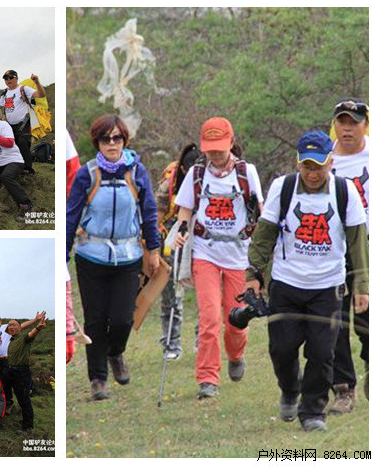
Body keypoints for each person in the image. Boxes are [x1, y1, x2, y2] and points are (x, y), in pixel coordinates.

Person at [247, 130, 368, 431]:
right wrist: (254, 275)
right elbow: (264, 234)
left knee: (322, 352)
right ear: (298, 163)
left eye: (319, 166)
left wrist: (361, 286)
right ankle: (290, 389)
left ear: (331, 162)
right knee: (282, 348)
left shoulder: (345, 191)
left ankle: (313, 411)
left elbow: (357, 244)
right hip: (286, 283)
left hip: (327, 286)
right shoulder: (283, 188)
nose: (313, 173)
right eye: (307, 166)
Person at [66, 114, 160, 400]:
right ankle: (98, 379)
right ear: (97, 142)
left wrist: (154, 249)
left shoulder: (137, 172)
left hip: (128, 256)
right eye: (105, 139)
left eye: (117, 138)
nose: (111, 144)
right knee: (95, 319)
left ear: (124, 140)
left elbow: (149, 211)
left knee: (122, 319)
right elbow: (71, 215)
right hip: (90, 256)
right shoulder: (88, 174)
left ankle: (116, 352)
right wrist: (62, 254)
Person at [172, 117, 263, 399]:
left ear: (231, 143)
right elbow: (185, 210)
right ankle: (208, 379)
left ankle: (236, 355)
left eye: (220, 148)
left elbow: (260, 212)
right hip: (205, 252)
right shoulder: (197, 173)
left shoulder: (247, 172)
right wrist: (182, 230)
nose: (214, 153)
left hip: (238, 255)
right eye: (210, 148)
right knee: (209, 318)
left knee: (235, 319)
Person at [328, 99, 370, 412]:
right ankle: (343, 388)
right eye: (342, 121)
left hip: (370, 247)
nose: (347, 128)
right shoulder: (325, 160)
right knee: (334, 320)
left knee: (369, 318)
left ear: (364, 125)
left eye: (354, 122)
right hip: (335, 251)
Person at [155, 144, 201, 359]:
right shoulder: (170, 181)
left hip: (201, 237)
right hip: (171, 238)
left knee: (205, 294)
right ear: (183, 169)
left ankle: (202, 341)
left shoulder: (210, 177)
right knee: (171, 293)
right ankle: (171, 344)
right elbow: (157, 213)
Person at [0, 70, 46, 173]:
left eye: (11, 77)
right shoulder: (5, 93)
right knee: (13, 146)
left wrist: (37, 82)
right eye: (6, 78)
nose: (8, 80)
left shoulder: (23, 89)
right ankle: (17, 167)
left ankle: (28, 169)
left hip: (23, 123)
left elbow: (41, 94)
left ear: (16, 78)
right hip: (10, 125)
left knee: (23, 143)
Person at [6, 316, 47, 434]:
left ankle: (28, 427)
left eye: (14, 325)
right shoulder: (12, 339)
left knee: (24, 400)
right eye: (9, 325)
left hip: (21, 372)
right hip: (11, 371)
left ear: (20, 328)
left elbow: (31, 334)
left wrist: (38, 328)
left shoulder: (23, 338)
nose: (11, 327)